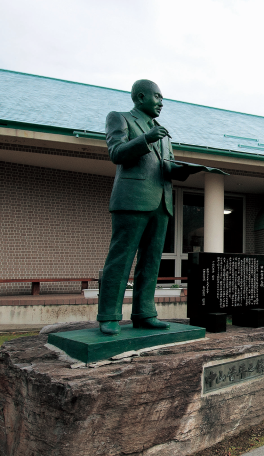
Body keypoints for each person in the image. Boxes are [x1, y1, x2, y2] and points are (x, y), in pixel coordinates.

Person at [98, 79, 200, 335]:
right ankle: (109, 315)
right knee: (121, 259)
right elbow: (116, 153)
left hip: (161, 201)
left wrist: (184, 170)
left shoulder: (161, 131)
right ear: (140, 97)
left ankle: (144, 313)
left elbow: (166, 164)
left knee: (152, 261)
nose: (161, 103)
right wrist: (145, 138)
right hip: (132, 198)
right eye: (157, 97)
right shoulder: (120, 118)